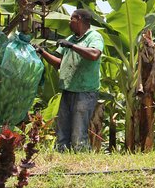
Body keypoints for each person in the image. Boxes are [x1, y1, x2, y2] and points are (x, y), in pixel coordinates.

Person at [35, 9, 104, 152]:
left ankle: (80, 161)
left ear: (78, 19)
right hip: (68, 90)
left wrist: (71, 46)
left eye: (71, 19)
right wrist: (42, 52)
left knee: (78, 133)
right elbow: (59, 63)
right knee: (62, 131)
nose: (68, 22)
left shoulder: (94, 37)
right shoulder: (71, 38)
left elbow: (94, 54)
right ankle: (61, 158)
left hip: (85, 92)